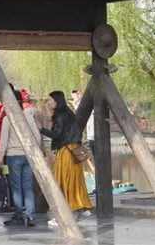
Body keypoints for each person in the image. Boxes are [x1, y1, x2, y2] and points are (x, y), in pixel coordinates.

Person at [39, 91, 93, 226]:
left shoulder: (59, 116)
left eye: (49, 100)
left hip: (66, 153)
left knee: (62, 183)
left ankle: (62, 217)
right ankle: (81, 209)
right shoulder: (69, 114)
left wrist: (41, 129)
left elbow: (56, 135)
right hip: (75, 152)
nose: (47, 103)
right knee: (74, 183)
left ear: (56, 101)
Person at [0, 90, 41, 227]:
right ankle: (31, 216)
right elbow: (37, 136)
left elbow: (4, 140)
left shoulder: (7, 119)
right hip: (28, 155)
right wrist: (34, 151)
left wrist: (0, 158)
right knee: (27, 187)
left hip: (13, 155)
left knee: (16, 188)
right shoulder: (28, 117)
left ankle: (18, 216)